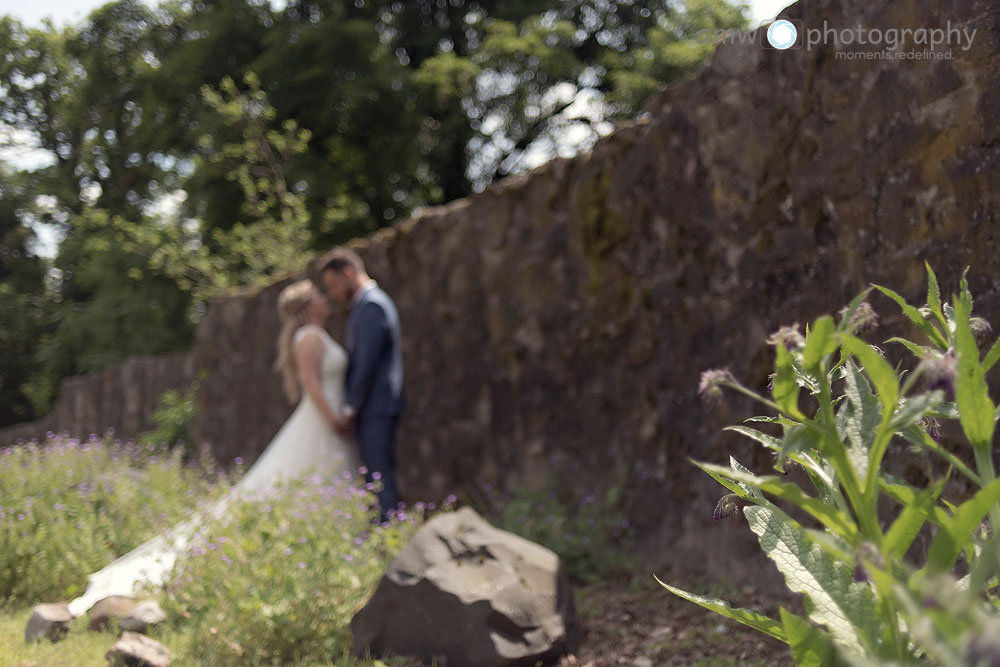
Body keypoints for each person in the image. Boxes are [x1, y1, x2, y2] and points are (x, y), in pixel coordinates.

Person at [67, 280, 358, 617]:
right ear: (307, 305)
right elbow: (311, 384)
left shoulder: (313, 335)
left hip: (329, 420)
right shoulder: (309, 337)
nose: (326, 299)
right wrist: (334, 418)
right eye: (320, 295)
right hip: (324, 419)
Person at [315, 247, 404, 521]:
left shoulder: (371, 305)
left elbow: (366, 363)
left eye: (333, 285)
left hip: (376, 406)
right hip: (376, 406)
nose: (332, 293)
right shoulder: (366, 305)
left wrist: (351, 407)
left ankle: (389, 539)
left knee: (379, 478)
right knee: (376, 477)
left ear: (348, 273)